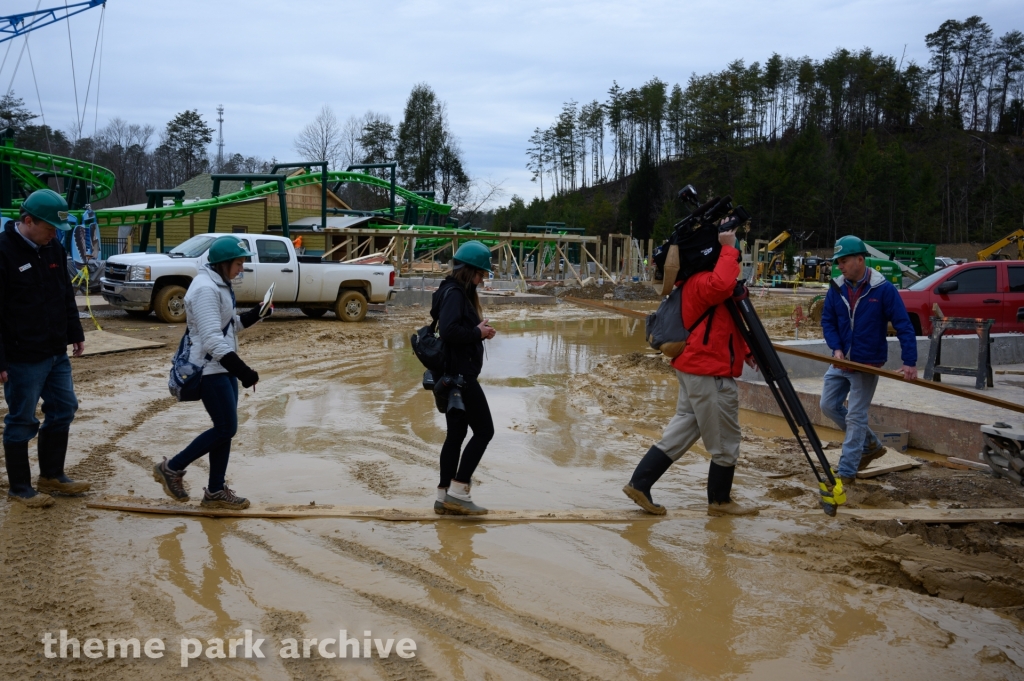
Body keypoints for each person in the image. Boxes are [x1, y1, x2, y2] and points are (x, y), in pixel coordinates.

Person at [623, 227, 759, 516]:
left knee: (684, 428)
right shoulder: (704, 282)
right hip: (709, 372)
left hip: (695, 368)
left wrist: (746, 351)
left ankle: (640, 483)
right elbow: (722, 284)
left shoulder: (691, 283)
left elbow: (724, 325)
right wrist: (729, 248)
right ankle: (720, 502)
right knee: (726, 440)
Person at [152, 236, 269, 509]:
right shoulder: (205, 289)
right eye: (238, 264)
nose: (241, 268)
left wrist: (259, 313)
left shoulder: (220, 284)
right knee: (226, 427)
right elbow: (212, 340)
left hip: (222, 367)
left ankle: (215, 491)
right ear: (223, 263)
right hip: (209, 369)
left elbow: (229, 326)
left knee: (224, 430)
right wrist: (244, 372)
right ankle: (172, 467)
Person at [0, 189, 88, 507]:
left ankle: (52, 475)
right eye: (50, 228)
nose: (54, 235)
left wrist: (75, 332)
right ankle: (20, 488)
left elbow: (65, 294)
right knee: (22, 419)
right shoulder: (3, 252)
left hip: (55, 351)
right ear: (28, 221)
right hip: (22, 356)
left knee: (64, 408)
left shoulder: (52, 248)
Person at [820, 236, 917, 488]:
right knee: (828, 405)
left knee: (855, 416)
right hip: (841, 360)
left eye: (844, 261)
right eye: (838, 262)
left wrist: (909, 361)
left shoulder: (883, 289)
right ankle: (871, 443)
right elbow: (828, 321)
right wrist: (836, 348)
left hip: (866, 363)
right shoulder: (836, 287)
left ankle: (847, 471)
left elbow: (904, 325)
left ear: (860, 260)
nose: (840, 266)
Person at [431, 241, 496, 515]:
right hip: (461, 377)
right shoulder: (456, 294)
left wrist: (478, 330)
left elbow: (452, 329)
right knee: (484, 431)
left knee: (456, 435)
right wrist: (477, 333)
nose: (481, 280)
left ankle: (443, 496)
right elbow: (449, 331)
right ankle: (458, 492)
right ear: (468, 270)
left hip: (451, 376)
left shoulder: (450, 291)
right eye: (480, 274)